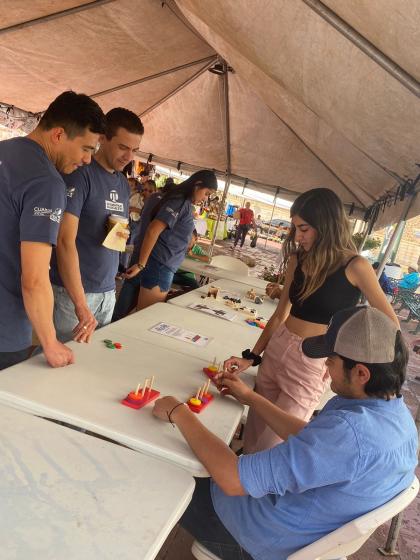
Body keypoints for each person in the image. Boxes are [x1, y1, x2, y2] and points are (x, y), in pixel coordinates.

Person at [152, 306, 417, 560]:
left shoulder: (349, 434)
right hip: (305, 534)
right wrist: (251, 398)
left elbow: (233, 480)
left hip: (257, 540)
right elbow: (312, 438)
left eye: (331, 361)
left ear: (361, 373)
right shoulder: (394, 414)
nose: (325, 367)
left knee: (166, 461)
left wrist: (179, 411)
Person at [224, 188, 399, 453]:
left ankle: (256, 487)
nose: (298, 236)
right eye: (295, 228)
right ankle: (242, 484)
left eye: (304, 229)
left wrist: (351, 357)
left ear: (326, 224)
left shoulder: (355, 266)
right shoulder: (298, 259)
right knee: (255, 430)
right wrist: (252, 356)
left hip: (312, 360)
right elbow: (280, 314)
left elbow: (391, 325)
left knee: (279, 444)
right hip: (277, 348)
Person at [0, 91, 105, 370]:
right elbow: (34, 278)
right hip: (5, 329)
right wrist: (50, 342)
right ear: (58, 135)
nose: (87, 161)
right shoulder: (46, 183)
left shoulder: (4, 150)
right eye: (86, 149)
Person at [50, 108, 144, 342]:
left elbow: (114, 229)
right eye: (123, 147)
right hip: (73, 295)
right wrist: (80, 304)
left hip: (107, 291)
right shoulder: (80, 174)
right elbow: (63, 240)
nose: (129, 156)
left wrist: (122, 235)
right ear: (102, 138)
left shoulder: (122, 182)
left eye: (134, 150)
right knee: (58, 367)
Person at [112, 170, 218, 318]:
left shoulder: (180, 201)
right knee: (146, 318)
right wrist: (141, 264)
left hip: (160, 264)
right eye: (206, 193)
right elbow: (153, 230)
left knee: (130, 315)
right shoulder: (180, 201)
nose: (205, 199)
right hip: (160, 267)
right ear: (197, 185)